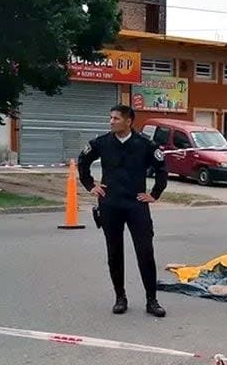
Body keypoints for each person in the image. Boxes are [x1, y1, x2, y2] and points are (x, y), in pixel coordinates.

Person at [78, 104, 168, 317]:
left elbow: (161, 169)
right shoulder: (102, 143)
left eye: (116, 118)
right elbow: (83, 162)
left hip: (136, 204)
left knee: (145, 251)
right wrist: (91, 185)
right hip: (110, 205)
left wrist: (154, 194)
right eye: (110, 118)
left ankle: (151, 300)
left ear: (128, 121)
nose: (111, 122)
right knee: (114, 251)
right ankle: (120, 297)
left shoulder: (145, 144)